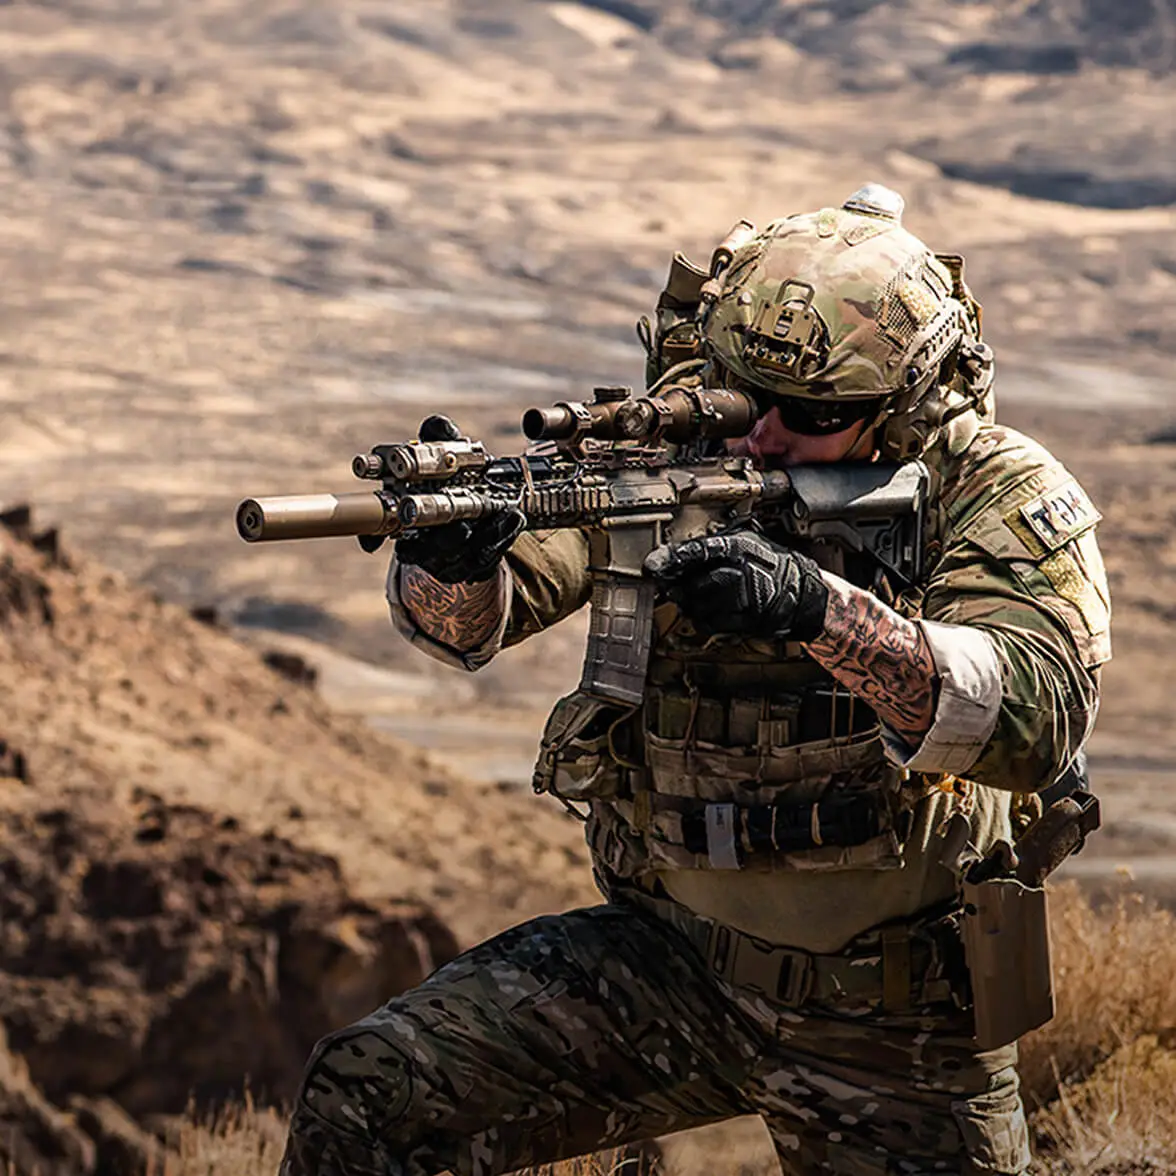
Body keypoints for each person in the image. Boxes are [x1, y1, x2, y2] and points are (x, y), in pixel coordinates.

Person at [280, 184, 1111, 1176]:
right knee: (371, 1099)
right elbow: (472, 626)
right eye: (742, 397)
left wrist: (819, 612)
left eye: (810, 416)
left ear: (911, 409)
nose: (760, 437)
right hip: (668, 968)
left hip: (893, 1014)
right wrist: (452, 566)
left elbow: (1031, 711)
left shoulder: (998, 492)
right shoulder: (666, 462)